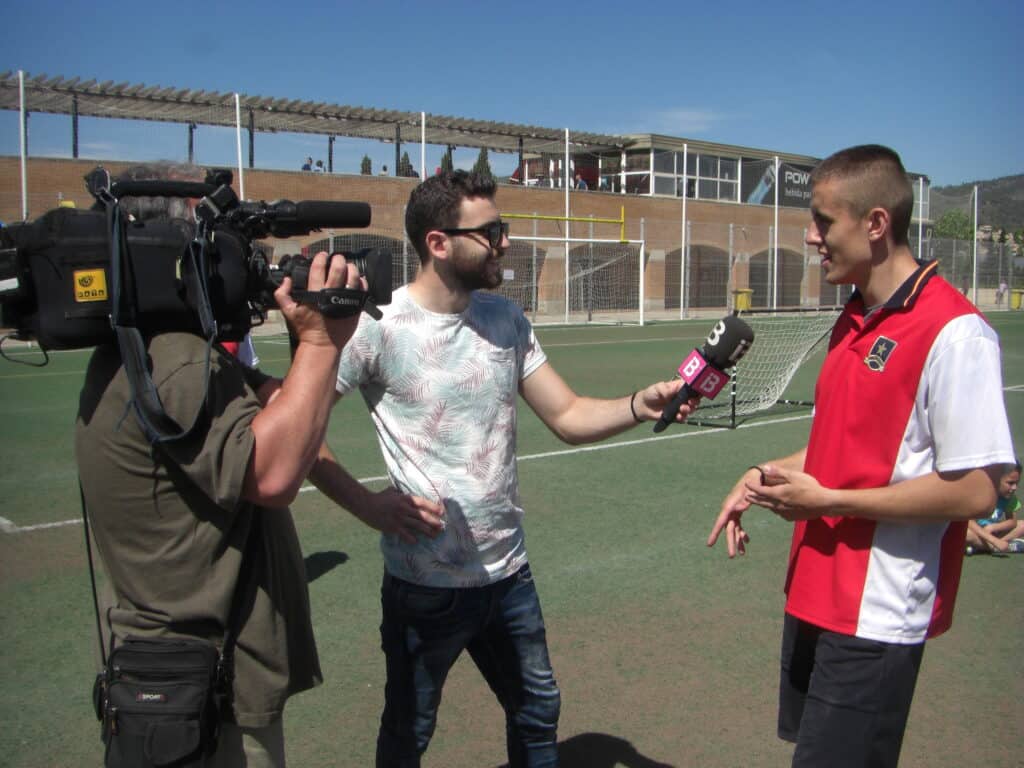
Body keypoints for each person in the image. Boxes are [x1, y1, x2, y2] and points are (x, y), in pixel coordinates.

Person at [310, 170, 699, 767]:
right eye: (490, 231)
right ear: (438, 243)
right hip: (425, 585)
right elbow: (300, 434)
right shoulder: (376, 327)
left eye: (503, 228)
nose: (505, 242)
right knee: (409, 730)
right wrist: (366, 506)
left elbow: (567, 415)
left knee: (538, 709)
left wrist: (636, 405)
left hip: (508, 574)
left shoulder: (506, 319)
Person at [707, 145, 1015, 768]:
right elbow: (846, 445)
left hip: (876, 615)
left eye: (824, 220)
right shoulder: (854, 316)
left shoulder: (956, 333)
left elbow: (978, 489)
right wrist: (767, 474)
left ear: (875, 224)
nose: (811, 235)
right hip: (817, 593)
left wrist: (830, 501)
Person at [76, 163, 367, 767]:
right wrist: (321, 343)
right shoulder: (176, 362)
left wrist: (303, 338)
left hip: (177, 673)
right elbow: (274, 472)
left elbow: (279, 408)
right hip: (204, 686)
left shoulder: (148, 347)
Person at [965, 460, 1024, 554]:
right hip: (977, 532)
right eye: (1010, 483)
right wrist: (994, 541)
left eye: (1016, 483)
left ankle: (981, 546)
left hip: (993, 532)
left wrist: (994, 527)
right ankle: (1001, 546)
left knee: (1022, 525)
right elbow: (969, 522)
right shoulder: (981, 494)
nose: (1014, 488)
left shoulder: (1009, 497)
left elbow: (1012, 522)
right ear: (996, 479)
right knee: (965, 533)